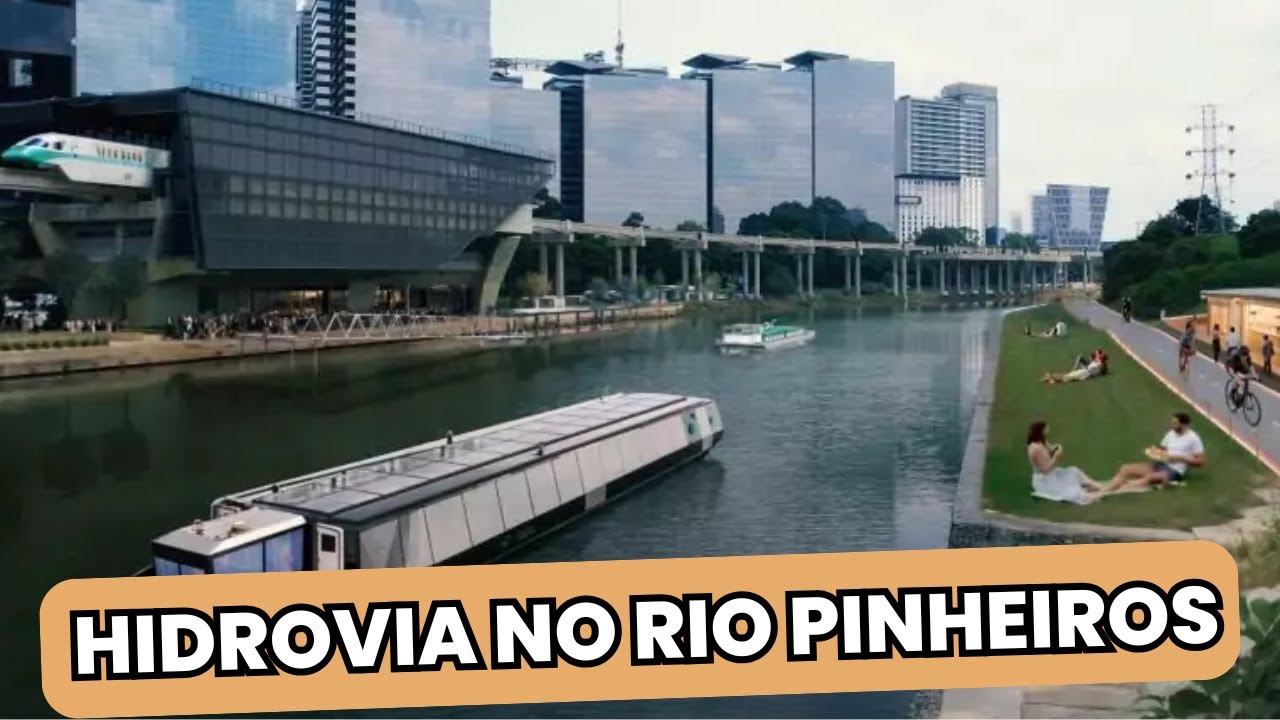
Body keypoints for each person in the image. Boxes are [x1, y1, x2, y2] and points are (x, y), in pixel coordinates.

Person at [1103, 413, 1206, 492]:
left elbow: (1201, 462)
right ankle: (1105, 489)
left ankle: (1110, 492)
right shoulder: (1171, 433)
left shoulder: (1193, 439)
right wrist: (1154, 450)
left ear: (1184, 425)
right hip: (1160, 464)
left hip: (1174, 472)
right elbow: (1162, 449)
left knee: (1149, 478)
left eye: (1175, 423)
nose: (1172, 425)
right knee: (1125, 468)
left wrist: (1181, 458)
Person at [1027, 420, 1105, 505]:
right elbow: (1045, 470)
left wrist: (1056, 448)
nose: (1048, 430)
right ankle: (1095, 491)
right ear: (1041, 430)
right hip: (1046, 481)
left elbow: (1051, 449)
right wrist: (1056, 458)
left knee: (1074, 471)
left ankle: (1096, 485)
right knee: (1071, 492)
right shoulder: (1036, 449)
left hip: (1053, 474)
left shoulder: (1043, 441)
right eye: (1046, 428)